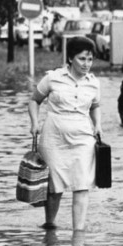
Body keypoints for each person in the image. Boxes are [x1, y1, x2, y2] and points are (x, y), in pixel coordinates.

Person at [28, 36, 103, 231]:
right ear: (70, 58)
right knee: (54, 188)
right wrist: (35, 123)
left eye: (90, 59)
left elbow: (95, 106)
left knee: (82, 185)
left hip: (83, 139)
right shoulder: (53, 78)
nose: (87, 64)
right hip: (53, 138)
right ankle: (50, 225)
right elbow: (34, 100)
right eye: (82, 59)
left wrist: (98, 124)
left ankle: (78, 234)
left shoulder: (94, 83)